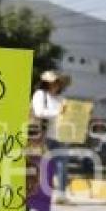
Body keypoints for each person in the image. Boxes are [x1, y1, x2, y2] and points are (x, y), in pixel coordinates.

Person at [31, 70, 71, 202]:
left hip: (60, 135)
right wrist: (58, 112)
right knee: (42, 166)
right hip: (43, 136)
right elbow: (39, 112)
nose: (55, 84)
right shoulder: (40, 94)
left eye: (58, 82)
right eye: (53, 82)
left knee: (62, 165)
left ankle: (61, 194)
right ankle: (37, 192)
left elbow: (68, 115)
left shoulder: (61, 99)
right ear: (46, 83)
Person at [25, 120, 55, 211]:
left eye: (42, 133)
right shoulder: (27, 148)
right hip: (30, 183)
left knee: (43, 209)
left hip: (42, 186)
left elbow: (50, 166)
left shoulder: (44, 149)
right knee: (25, 208)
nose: (41, 136)